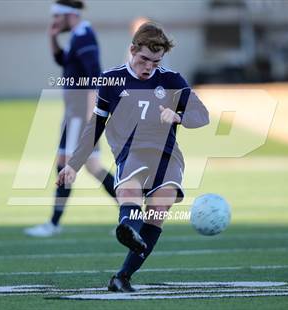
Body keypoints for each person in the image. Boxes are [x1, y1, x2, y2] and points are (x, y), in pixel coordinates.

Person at [57, 22, 210, 291]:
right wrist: (73, 164)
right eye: (143, 59)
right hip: (131, 152)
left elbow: (203, 116)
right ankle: (128, 228)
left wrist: (179, 116)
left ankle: (122, 275)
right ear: (132, 50)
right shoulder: (111, 81)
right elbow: (95, 127)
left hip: (167, 155)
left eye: (155, 61)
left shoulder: (172, 80)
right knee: (129, 192)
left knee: (158, 210)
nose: (149, 66)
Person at [24, 0, 116, 237]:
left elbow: (96, 76)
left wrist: (91, 115)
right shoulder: (78, 35)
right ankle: (132, 213)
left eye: (57, 17)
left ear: (69, 15)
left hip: (79, 116)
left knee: (66, 165)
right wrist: (52, 37)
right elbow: (62, 61)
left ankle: (53, 224)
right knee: (93, 168)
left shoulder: (84, 36)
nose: (54, 21)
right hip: (75, 115)